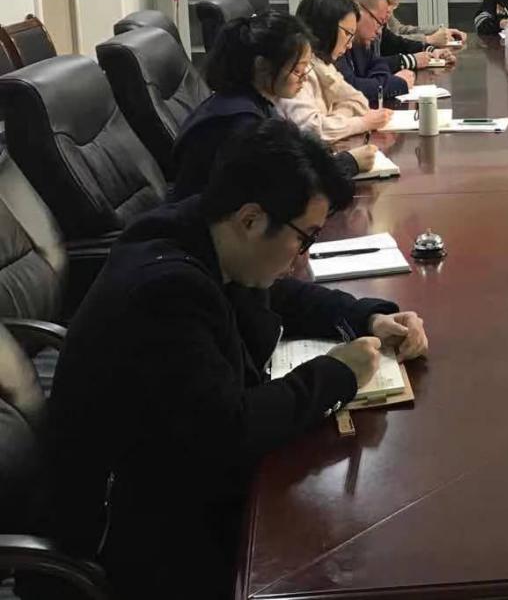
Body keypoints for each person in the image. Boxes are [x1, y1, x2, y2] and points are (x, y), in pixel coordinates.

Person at [48, 119, 429, 599]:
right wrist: (338, 374)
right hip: (134, 527)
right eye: (304, 237)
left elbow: (278, 294)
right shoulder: (167, 292)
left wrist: (367, 317)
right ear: (251, 220)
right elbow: (228, 432)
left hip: (173, 471)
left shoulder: (207, 231)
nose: (302, 257)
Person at [170, 12, 374, 200]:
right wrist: (349, 163)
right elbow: (288, 189)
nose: (304, 78)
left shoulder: (250, 102)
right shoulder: (242, 123)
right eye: (297, 70)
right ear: (263, 67)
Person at [278, 0, 394, 142]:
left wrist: (333, 120)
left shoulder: (324, 65)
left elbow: (359, 101)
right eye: (347, 34)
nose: (350, 45)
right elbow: (311, 129)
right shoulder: (297, 70)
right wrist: (362, 123)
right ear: (325, 28)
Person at [353, 0, 455, 71]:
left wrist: (431, 50)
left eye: (393, 3)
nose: (388, 9)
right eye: (385, 0)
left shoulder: (379, 25)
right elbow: (367, 67)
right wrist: (412, 60)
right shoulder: (350, 35)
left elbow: (397, 42)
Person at [335, 0, 416, 108]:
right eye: (379, 22)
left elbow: (379, 65)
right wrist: (397, 83)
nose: (379, 32)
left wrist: (377, 82)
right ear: (359, 10)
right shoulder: (335, 40)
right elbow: (351, 88)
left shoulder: (361, 41)